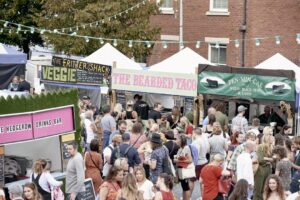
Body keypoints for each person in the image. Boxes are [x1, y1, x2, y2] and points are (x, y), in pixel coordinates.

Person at [253, 134, 274, 200]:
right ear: (268, 139)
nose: (273, 140)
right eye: (272, 138)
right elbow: (260, 159)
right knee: (258, 190)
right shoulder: (260, 147)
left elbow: (274, 159)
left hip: (268, 170)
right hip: (260, 170)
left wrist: (267, 158)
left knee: (266, 189)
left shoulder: (271, 147)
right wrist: (269, 159)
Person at [174, 134, 195, 200]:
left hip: (184, 170)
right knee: (184, 187)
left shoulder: (186, 148)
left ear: (181, 140)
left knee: (186, 187)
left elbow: (190, 160)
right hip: (181, 170)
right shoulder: (181, 148)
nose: (176, 141)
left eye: (177, 139)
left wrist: (178, 160)